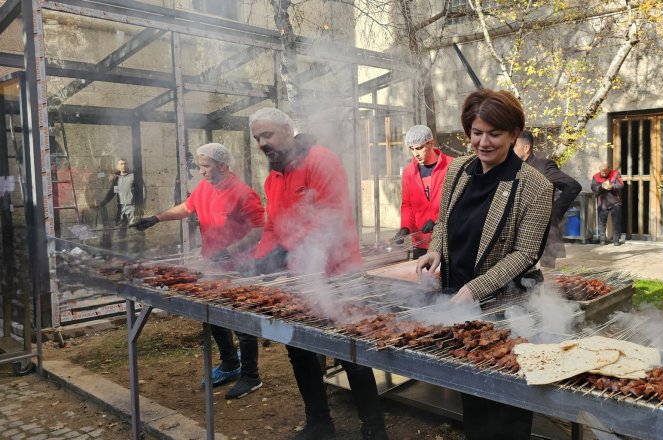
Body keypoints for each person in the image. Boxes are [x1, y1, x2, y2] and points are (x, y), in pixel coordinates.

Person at [416, 89, 553, 440]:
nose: (484, 142)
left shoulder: (534, 185)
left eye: (494, 133)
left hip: (509, 303)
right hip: (456, 293)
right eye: (477, 132)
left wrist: (475, 288)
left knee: (508, 398)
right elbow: (444, 222)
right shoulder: (459, 170)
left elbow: (525, 254)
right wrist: (434, 250)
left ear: (513, 133)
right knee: (472, 389)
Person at [248, 108, 388, 440]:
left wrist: (289, 249)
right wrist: (259, 259)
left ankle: (373, 428)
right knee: (298, 346)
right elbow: (272, 226)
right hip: (301, 276)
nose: (262, 143)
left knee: (350, 348)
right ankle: (319, 421)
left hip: (340, 273)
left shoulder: (319, 160)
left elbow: (331, 217)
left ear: (286, 129)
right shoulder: (272, 176)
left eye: (267, 134)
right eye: (256, 138)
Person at [133, 143, 266, 400]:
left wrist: (230, 250)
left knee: (242, 321)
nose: (201, 171)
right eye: (201, 165)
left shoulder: (244, 194)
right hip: (212, 264)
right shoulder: (205, 187)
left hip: (240, 267)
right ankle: (230, 362)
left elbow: (259, 230)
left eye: (206, 166)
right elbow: (186, 208)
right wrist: (156, 218)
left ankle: (251, 376)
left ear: (223, 166)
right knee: (211, 314)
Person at [514, 130, 582, 267]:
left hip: (543, 236)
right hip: (518, 237)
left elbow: (573, 186)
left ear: (526, 148)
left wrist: (554, 212)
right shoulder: (513, 168)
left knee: (546, 278)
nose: (510, 151)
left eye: (513, 147)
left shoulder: (542, 166)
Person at [392, 125, 452, 259]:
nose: (415, 154)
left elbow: (458, 204)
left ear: (431, 143)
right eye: (412, 149)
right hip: (420, 242)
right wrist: (405, 228)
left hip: (447, 241)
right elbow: (407, 204)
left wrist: (437, 221)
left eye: (419, 148)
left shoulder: (451, 167)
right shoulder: (409, 172)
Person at [98, 158, 144, 239]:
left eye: (125, 164)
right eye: (121, 164)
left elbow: (140, 192)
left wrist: (140, 206)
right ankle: (122, 246)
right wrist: (104, 202)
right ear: (117, 166)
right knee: (120, 229)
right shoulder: (116, 178)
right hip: (120, 207)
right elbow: (114, 192)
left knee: (134, 229)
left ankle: (137, 247)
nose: (124, 165)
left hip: (131, 207)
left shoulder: (133, 176)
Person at [590, 164, 624, 245]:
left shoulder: (615, 173)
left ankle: (616, 240)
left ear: (609, 169)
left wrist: (612, 186)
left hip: (615, 202)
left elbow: (621, 184)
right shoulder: (595, 176)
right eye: (602, 172)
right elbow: (593, 187)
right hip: (602, 202)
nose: (604, 173)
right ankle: (602, 240)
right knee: (602, 222)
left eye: (605, 171)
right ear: (599, 170)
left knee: (616, 221)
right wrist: (601, 186)